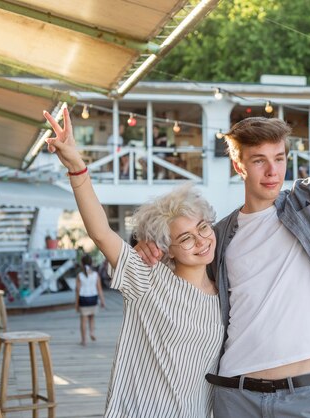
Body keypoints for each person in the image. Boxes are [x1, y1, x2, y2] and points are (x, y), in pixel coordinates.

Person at [136, 2, 310, 415]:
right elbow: (184, 283)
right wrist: (149, 254)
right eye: (259, 160)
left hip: (301, 395)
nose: (271, 171)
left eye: (279, 158)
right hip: (233, 392)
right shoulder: (220, 233)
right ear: (239, 164)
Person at [43, 108, 224, 417]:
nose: (201, 240)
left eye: (203, 227)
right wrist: (77, 166)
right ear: (167, 249)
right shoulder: (147, 279)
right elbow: (101, 233)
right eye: (186, 238)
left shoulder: (226, 292)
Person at [75, 253, 105, 346]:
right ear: (91, 263)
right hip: (93, 299)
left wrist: (76, 304)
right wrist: (102, 301)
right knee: (92, 318)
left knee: (83, 320)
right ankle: (92, 332)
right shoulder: (96, 275)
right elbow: (99, 289)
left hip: (83, 299)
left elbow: (77, 290)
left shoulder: (79, 275)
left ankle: (84, 340)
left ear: (82, 263)